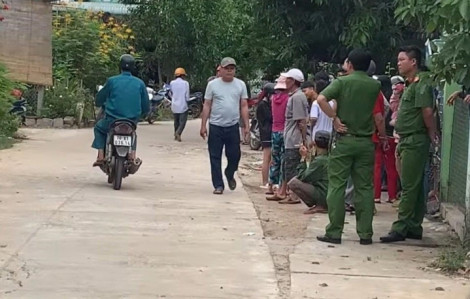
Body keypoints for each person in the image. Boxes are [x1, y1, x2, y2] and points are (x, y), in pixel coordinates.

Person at [315, 49, 386, 245]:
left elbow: (320, 99)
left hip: (344, 140)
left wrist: (334, 119)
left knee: (337, 185)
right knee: (364, 187)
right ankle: (365, 234)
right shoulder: (374, 85)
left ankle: (334, 231)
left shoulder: (342, 82)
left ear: (350, 64)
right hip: (365, 142)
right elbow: (378, 114)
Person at [380, 46, 438, 243]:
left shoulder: (421, 84)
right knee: (415, 184)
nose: (398, 63)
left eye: (402, 59)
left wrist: (432, 135)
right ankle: (414, 225)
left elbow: (427, 112)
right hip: (408, 138)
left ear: (413, 62)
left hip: (415, 139)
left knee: (409, 185)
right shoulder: (411, 84)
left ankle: (401, 226)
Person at [200, 57, 249, 195]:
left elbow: (244, 105)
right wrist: (203, 125)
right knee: (214, 156)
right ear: (220, 69)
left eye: (232, 68)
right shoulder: (213, 85)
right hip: (215, 125)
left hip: (232, 126)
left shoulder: (240, 85)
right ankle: (218, 185)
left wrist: (246, 125)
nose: (229, 71)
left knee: (235, 155)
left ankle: (229, 172)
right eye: (226, 68)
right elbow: (207, 104)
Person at [92, 54, 149, 166]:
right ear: (133, 67)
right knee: (132, 133)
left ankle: (100, 155)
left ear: (120, 66)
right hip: (131, 121)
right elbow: (146, 105)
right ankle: (132, 155)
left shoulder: (112, 81)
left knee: (99, 128)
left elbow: (100, 97)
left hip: (112, 120)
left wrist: (98, 102)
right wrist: (143, 114)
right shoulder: (140, 83)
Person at [278, 68, 309, 205]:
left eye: (288, 79)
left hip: (294, 139)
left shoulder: (297, 97)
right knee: (288, 165)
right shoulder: (295, 96)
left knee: (291, 167)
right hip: (291, 137)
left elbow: (301, 121)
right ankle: (289, 193)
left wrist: (303, 140)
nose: (286, 81)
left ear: (294, 81)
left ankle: (293, 195)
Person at [288, 130, 330, 214]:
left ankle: (320, 205)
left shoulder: (319, 161)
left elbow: (302, 176)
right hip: (330, 193)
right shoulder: (329, 157)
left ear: (314, 143)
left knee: (293, 182)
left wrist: (303, 158)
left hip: (323, 194)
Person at [266, 76, 289, 199]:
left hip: (274, 131)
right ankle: (281, 187)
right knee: (284, 160)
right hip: (285, 131)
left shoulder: (273, 98)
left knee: (274, 160)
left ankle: (270, 186)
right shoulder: (288, 99)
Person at [257, 83, 275, 188]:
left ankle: (269, 180)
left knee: (271, 158)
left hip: (269, 132)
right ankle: (264, 182)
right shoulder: (263, 105)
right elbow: (270, 118)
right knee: (267, 158)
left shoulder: (265, 104)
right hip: (266, 134)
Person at [170, 67, 190, 142]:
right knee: (183, 121)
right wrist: (187, 102)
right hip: (183, 105)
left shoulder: (172, 83)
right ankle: (178, 133)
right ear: (182, 75)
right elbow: (187, 96)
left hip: (174, 105)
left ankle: (175, 134)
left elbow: (170, 93)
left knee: (176, 121)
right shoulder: (185, 83)